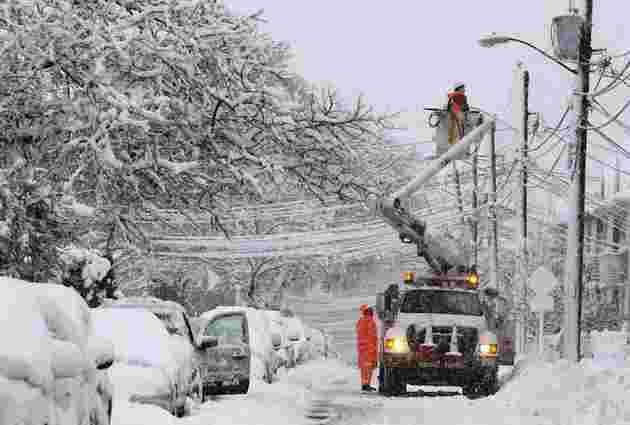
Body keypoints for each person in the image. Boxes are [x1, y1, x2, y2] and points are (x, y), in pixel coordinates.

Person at [356, 304, 378, 391]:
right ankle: (366, 384)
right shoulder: (369, 321)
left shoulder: (361, 321)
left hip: (364, 348)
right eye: (370, 310)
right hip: (368, 349)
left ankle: (365, 384)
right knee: (367, 368)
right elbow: (371, 336)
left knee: (366, 368)